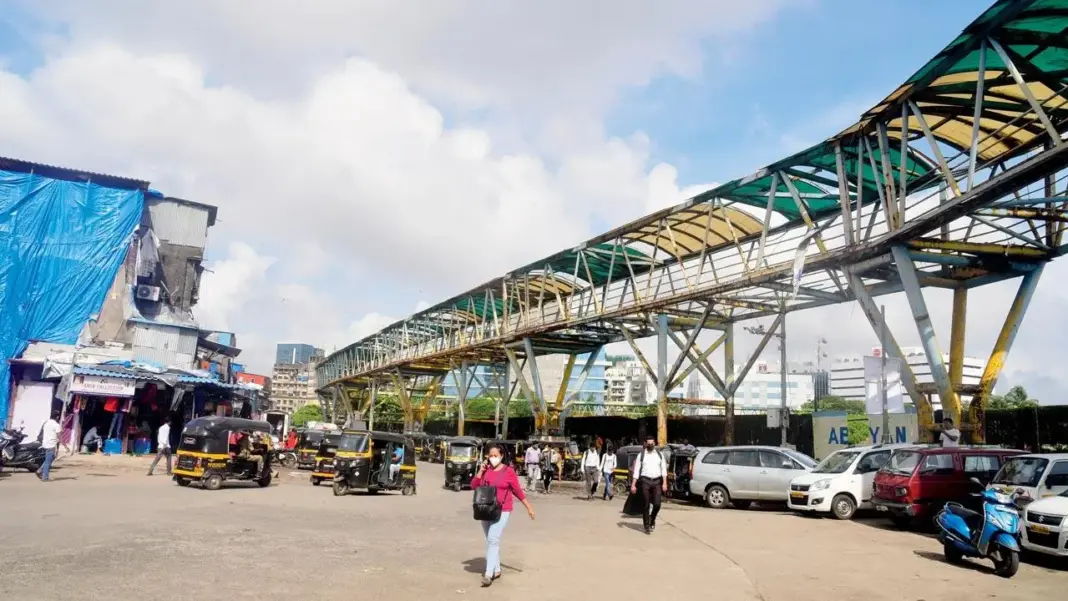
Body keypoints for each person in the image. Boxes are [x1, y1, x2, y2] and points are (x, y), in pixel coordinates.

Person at [470, 443, 535, 588]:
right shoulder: (486, 470)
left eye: (495, 456)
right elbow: (474, 486)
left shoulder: (509, 471)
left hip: (503, 509)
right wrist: (480, 471)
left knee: (493, 538)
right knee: (491, 540)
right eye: (490, 455)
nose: (493, 458)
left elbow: (517, 491)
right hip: (486, 509)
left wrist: (528, 507)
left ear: (502, 456)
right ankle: (497, 569)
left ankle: (488, 574)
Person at [630, 434, 667, 534]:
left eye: (652, 444)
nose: (650, 445)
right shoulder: (641, 455)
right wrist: (633, 485)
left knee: (657, 504)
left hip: (657, 482)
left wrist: (665, 483)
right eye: (648, 444)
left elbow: (663, 469)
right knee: (646, 504)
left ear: (654, 443)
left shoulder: (659, 455)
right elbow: (636, 471)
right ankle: (646, 525)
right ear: (645, 444)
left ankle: (652, 518)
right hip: (645, 481)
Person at [37, 410, 68, 482]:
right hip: (51, 445)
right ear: (57, 417)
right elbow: (60, 437)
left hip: (45, 444)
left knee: (51, 458)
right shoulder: (56, 425)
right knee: (48, 461)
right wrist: (65, 446)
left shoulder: (46, 423)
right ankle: (45, 477)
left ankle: (40, 470)